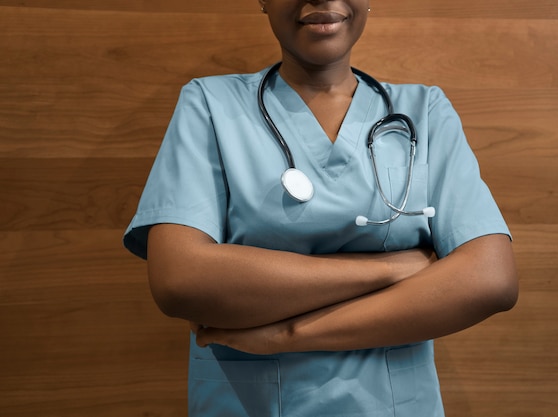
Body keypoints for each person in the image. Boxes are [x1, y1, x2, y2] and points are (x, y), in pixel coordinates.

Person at [123, 1, 518, 416]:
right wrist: (392, 268)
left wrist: (290, 334)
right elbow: (180, 279)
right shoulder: (210, 104)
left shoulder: (424, 112)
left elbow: (492, 279)